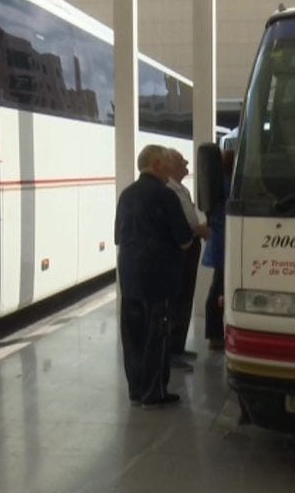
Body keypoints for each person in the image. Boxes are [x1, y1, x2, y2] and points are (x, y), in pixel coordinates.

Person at [114, 145, 194, 408]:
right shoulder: (166, 195)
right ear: (157, 164)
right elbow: (184, 240)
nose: (171, 169)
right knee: (156, 336)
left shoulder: (126, 195)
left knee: (133, 336)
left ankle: (135, 391)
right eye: (167, 164)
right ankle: (154, 393)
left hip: (129, 274)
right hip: (158, 276)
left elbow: (118, 236)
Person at [165, 148, 211, 368]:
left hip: (190, 246)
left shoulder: (182, 189)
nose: (187, 166)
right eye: (182, 162)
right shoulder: (169, 190)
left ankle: (178, 346)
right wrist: (197, 231)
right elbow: (175, 225)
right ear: (171, 165)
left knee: (186, 297)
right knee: (175, 300)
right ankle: (170, 350)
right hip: (178, 250)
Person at [202, 149, 234, 349]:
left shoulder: (217, 183)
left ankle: (215, 334)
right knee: (218, 288)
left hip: (221, 242)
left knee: (218, 286)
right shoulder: (227, 184)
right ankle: (214, 335)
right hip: (224, 243)